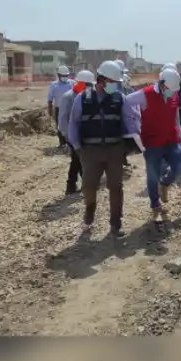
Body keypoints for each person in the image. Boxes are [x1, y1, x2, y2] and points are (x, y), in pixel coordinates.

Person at [67, 60, 135, 237]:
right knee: (89, 186)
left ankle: (116, 223)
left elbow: (129, 122)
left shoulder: (120, 98)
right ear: (102, 80)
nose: (114, 86)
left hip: (115, 149)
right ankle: (90, 207)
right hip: (90, 151)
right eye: (112, 82)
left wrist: (131, 144)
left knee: (116, 187)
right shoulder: (83, 98)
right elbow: (73, 124)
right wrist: (78, 149)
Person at [124, 67, 181, 230]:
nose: (172, 93)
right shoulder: (145, 94)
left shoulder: (174, 94)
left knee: (179, 168)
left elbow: (175, 116)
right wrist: (135, 123)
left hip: (171, 139)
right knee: (152, 176)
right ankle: (155, 206)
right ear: (162, 84)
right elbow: (126, 102)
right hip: (152, 143)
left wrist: (180, 134)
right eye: (170, 90)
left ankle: (165, 183)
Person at [58, 70, 94, 196]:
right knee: (78, 159)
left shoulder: (87, 96)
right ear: (82, 83)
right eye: (89, 85)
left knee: (78, 160)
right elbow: (62, 118)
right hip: (72, 134)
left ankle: (73, 186)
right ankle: (76, 185)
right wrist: (67, 135)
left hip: (83, 134)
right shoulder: (68, 96)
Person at [47, 65, 75, 148]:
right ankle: (62, 143)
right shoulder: (53, 85)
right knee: (60, 125)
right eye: (63, 76)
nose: (65, 77)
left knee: (71, 124)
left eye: (66, 76)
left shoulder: (72, 83)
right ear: (58, 75)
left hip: (71, 108)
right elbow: (50, 98)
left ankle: (70, 142)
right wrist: (50, 109)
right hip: (59, 108)